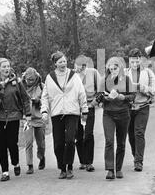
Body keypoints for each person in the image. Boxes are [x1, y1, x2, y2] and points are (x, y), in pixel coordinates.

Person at [41, 52, 88, 180]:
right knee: (58, 144)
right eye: (60, 62)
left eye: (64, 61)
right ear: (55, 63)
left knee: (70, 140)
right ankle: (62, 168)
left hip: (72, 112)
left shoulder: (74, 76)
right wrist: (44, 111)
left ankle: (70, 167)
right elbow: (44, 96)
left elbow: (81, 93)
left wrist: (84, 110)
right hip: (56, 113)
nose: (63, 64)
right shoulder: (50, 77)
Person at [0, 58, 31, 182]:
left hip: (14, 116)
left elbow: (25, 99)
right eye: (3, 67)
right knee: (1, 145)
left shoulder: (17, 82)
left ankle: (15, 162)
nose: (6, 69)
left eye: (8, 66)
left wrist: (28, 114)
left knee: (12, 143)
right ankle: (5, 171)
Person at [96, 57, 136, 180]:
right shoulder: (104, 80)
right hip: (108, 114)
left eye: (115, 68)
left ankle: (118, 168)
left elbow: (133, 96)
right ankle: (109, 169)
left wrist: (122, 97)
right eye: (111, 68)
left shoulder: (127, 80)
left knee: (121, 142)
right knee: (109, 141)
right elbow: (98, 96)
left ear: (120, 68)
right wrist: (104, 98)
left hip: (123, 114)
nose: (113, 70)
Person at [126, 49, 155, 172]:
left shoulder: (148, 73)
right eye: (132, 61)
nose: (134, 63)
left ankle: (138, 161)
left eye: (137, 60)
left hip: (143, 106)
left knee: (139, 133)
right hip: (128, 108)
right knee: (131, 135)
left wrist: (142, 87)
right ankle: (136, 155)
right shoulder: (124, 73)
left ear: (141, 59)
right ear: (129, 61)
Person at [74, 55, 101, 172]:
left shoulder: (93, 73)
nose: (79, 67)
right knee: (78, 135)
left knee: (88, 134)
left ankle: (89, 162)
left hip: (89, 107)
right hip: (76, 109)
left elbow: (101, 89)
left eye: (82, 65)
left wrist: (95, 102)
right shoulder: (72, 76)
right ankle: (83, 161)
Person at [21, 67, 46, 175]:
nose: (30, 82)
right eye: (28, 80)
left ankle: (41, 157)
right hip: (27, 119)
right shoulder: (21, 87)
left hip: (39, 118)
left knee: (41, 143)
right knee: (29, 142)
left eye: (32, 80)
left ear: (36, 78)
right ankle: (30, 165)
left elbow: (47, 100)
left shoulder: (42, 86)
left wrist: (38, 101)